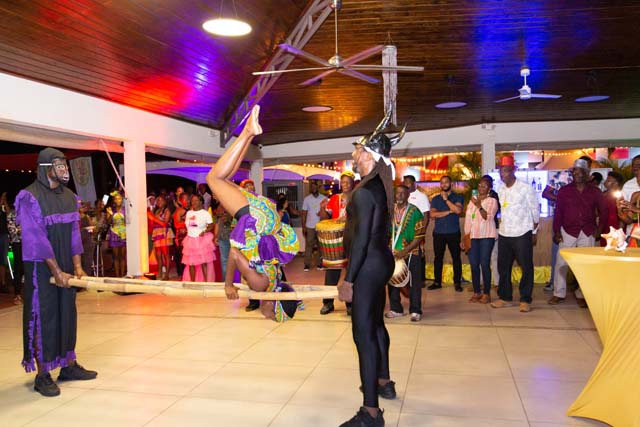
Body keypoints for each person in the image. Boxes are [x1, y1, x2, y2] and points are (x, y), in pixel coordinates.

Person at [337, 110, 404, 427]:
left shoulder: (364, 191)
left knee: (362, 333)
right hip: (380, 261)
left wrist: (348, 280)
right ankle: (383, 381)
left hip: (368, 264)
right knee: (376, 324)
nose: (353, 154)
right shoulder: (377, 185)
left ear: (367, 154)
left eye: (356, 149)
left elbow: (361, 239)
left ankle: (371, 413)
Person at [206, 105, 300, 323]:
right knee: (214, 179)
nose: (267, 318)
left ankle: (248, 134)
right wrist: (228, 284)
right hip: (259, 221)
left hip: (268, 218)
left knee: (223, 179)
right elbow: (234, 253)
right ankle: (248, 132)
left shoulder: (275, 279)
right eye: (272, 316)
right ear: (272, 307)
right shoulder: (261, 286)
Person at [16, 147, 97, 397]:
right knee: (45, 316)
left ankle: (68, 365)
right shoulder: (30, 197)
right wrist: (57, 271)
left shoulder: (69, 196)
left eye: (64, 164)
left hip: (65, 266)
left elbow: (74, 234)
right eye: (58, 165)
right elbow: (36, 239)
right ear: (45, 168)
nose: (63, 169)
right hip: (42, 268)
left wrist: (77, 267)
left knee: (67, 313)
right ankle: (42, 375)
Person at [549, 159, 607, 307]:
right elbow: (558, 212)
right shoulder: (564, 191)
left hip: (588, 231)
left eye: (580, 171)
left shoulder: (595, 191)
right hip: (568, 231)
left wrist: (599, 229)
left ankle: (582, 294)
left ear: (587, 173)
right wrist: (557, 231)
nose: (576, 174)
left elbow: (604, 211)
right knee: (561, 263)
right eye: (574, 171)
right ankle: (558, 293)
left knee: (586, 265)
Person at [491, 156, 539, 313]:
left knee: (526, 267)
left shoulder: (525, 188)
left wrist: (534, 232)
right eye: (501, 171)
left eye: (505, 171)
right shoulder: (500, 189)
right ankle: (505, 297)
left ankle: (525, 299)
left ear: (514, 170)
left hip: (522, 232)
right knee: (503, 267)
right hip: (505, 233)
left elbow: (535, 210)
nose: (502, 174)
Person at [317, 170, 356, 315]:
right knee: (331, 273)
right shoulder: (334, 198)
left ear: (353, 183)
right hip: (335, 242)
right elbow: (324, 218)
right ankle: (327, 303)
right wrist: (322, 208)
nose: (346, 185)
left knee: (350, 274)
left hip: (352, 239)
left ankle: (350, 304)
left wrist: (349, 218)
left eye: (348, 182)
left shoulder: (357, 198)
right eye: (343, 182)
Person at [385, 185, 425, 321]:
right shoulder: (390, 212)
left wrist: (406, 250)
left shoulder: (415, 212)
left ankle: (415, 310)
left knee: (414, 282)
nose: (400, 195)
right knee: (393, 281)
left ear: (408, 195)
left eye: (403, 193)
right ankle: (396, 309)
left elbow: (419, 236)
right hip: (393, 251)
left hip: (412, 251)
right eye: (398, 193)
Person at [463, 176, 498, 304]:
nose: (481, 188)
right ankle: (477, 292)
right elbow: (468, 220)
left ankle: (486, 293)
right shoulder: (472, 201)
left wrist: (479, 206)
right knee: (474, 265)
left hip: (486, 237)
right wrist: (465, 237)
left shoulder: (492, 201)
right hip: (473, 237)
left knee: (484, 264)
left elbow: (488, 217)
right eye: (479, 185)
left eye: (484, 186)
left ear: (489, 188)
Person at [428, 176, 464, 291]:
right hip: (439, 233)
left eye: (446, 182)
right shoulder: (435, 199)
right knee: (438, 258)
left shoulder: (458, 197)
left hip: (453, 232)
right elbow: (432, 215)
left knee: (456, 258)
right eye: (442, 183)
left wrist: (446, 200)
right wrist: (449, 211)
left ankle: (457, 283)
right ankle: (437, 282)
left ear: (451, 184)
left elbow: (458, 210)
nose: (444, 184)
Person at [403, 175, 430, 287]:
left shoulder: (421, 196)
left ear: (414, 184)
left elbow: (426, 216)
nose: (406, 185)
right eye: (404, 182)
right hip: (404, 233)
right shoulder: (404, 195)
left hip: (417, 232)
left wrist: (422, 232)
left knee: (418, 255)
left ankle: (420, 280)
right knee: (406, 255)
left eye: (408, 182)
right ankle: (406, 279)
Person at [182, 194, 215, 282]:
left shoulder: (205, 213)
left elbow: (211, 225)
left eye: (196, 200)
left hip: (201, 239)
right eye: (192, 200)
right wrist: (185, 230)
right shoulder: (189, 213)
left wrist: (205, 231)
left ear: (201, 202)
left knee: (203, 262)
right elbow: (189, 225)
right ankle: (193, 283)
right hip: (190, 239)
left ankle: (206, 282)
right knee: (191, 263)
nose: (194, 202)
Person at [240, 178, 261, 312]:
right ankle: (253, 300)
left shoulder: (260, 201)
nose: (250, 188)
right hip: (247, 243)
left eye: (251, 186)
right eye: (246, 186)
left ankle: (280, 297)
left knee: (269, 268)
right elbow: (236, 225)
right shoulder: (238, 204)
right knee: (249, 271)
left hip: (261, 240)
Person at [301, 181, 326, 272]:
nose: (314, 188)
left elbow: (328, 212)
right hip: (310, 226)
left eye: (315, 186)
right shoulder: (307, 199)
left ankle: (320, 263)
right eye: (312, 187)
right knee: (309, 245)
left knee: (320, 245)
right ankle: (307, 264)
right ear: (310, 189)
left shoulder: (324, 198)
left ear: (318, 187)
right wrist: (303, 226)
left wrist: (322, 213)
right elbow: (304, 213)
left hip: (321, 226)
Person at [148, 195, 174, 280]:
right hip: (156, 232)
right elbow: (153, 223)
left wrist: (153, 218)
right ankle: (159, 272)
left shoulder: (167, 210)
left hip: (164, 233)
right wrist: (151, 219)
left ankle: (167, 274)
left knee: (166, 254)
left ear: (165, 201)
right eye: (158, 200)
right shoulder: (156, 211)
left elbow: (164, 224)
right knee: (158, 255)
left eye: (160, 200)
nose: (158, 202)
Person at [6, 196, 24, 305]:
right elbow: (13, 231)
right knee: (18, 268)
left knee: (28, 267)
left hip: (29, 244)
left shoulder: (28, 214)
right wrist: (24, 230)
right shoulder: (11, 215)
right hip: (17, 243)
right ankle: (17, 294)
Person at [106, 192, 127, 277]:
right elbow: (108, 222)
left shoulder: (125, 210)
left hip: (123, 234)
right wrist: (111, 215)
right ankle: (118, 276)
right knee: (116, 256)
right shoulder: (110, 209)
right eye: (116, 199)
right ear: (114, 200)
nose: (118, 200)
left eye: (119, 198)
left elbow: (128, 222)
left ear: (122, 200)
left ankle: (122, 275)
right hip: (114, 234)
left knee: (122, 256)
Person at [600, 171, 624, 246]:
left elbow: (622, 216)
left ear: (616, 183)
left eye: (608, 180)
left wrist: (619, 231)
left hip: (615, 229)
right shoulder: (604, 195)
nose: (605, 182)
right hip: (604, 228)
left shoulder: (619, 197)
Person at [173, 192, 189, 278]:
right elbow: (176, 225)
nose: (187, 201)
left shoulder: (192, 209)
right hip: (181, 237)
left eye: (188, 198)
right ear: (181, 201)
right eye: (185, 199)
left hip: (190, 236)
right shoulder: (179, 211)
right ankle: (182, 275)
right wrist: (187, 223)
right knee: (182, 256)